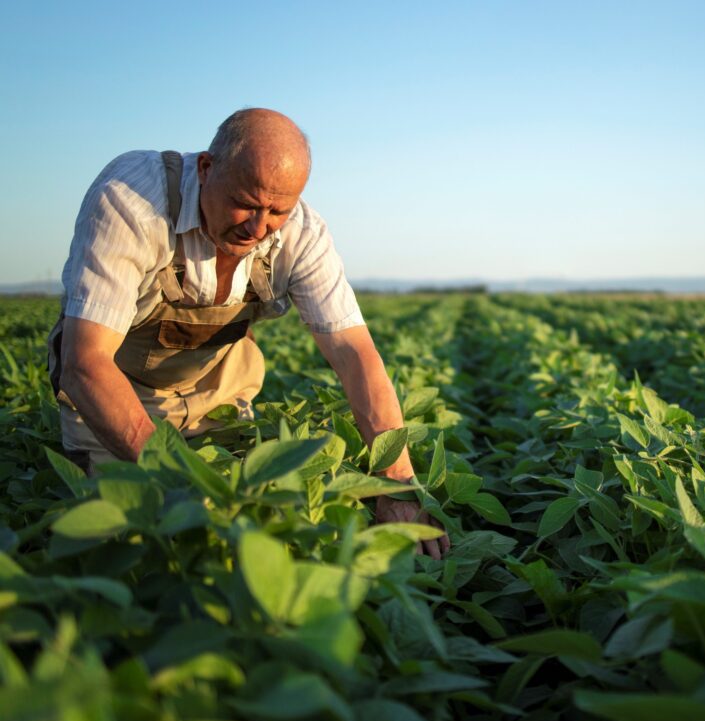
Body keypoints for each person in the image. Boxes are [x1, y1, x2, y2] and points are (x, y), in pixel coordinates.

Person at [47, 108, 450, 559]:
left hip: (218, 391)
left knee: (258, 536)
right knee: (130, 544)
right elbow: (85, 365)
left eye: (277, 210)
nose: (258, 228)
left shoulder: (303, 234)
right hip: (115, 396)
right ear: (205, 168)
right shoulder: (131, 200)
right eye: (246, 202)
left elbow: (355, 354)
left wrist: (394, 487)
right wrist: (186, 486)